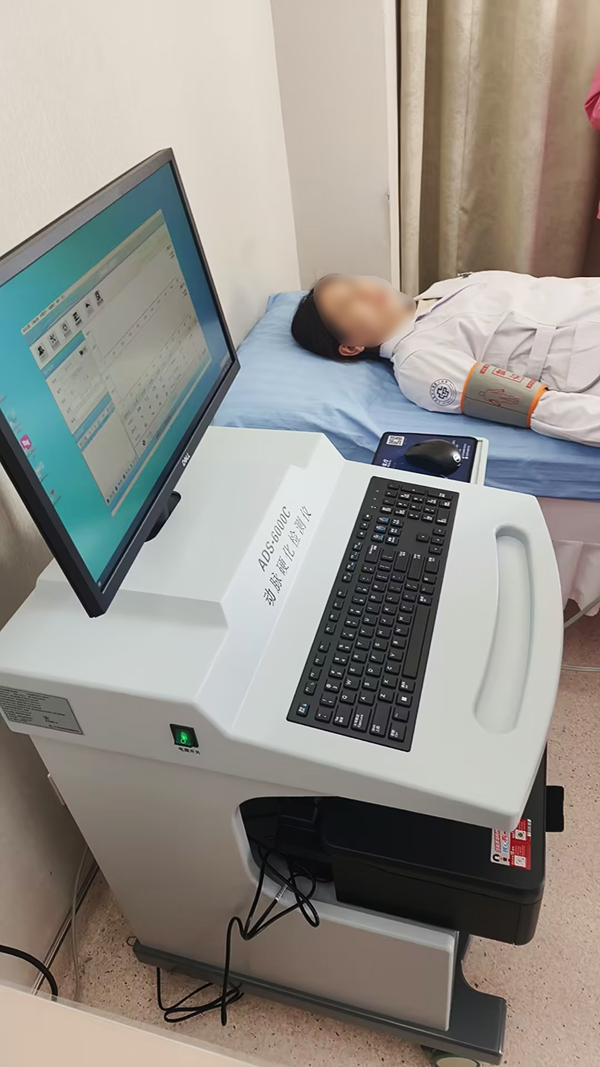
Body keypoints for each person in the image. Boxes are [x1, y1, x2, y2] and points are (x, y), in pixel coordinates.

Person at [291, 272, 600, 447]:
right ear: (350, 347)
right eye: (347, 304)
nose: (363, 290)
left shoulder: (442, 288)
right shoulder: (420, 362)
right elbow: (541, 408)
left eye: (353, 281)